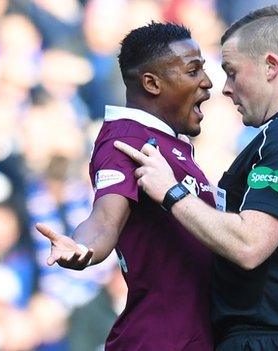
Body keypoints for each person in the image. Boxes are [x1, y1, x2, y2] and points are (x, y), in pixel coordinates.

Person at [115, 5, 278, 351]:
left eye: (232, 72)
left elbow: (249, 244)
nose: (225, 88)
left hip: (269, 340)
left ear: (271, 66)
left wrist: (171, 192)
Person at [35, 22, 215, 350]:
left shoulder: (170, 142)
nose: (207, 82)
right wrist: (83, 248)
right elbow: (105, 217)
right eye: (193, 71)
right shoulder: (125, 140)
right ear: (152, 83)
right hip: (160, 340)